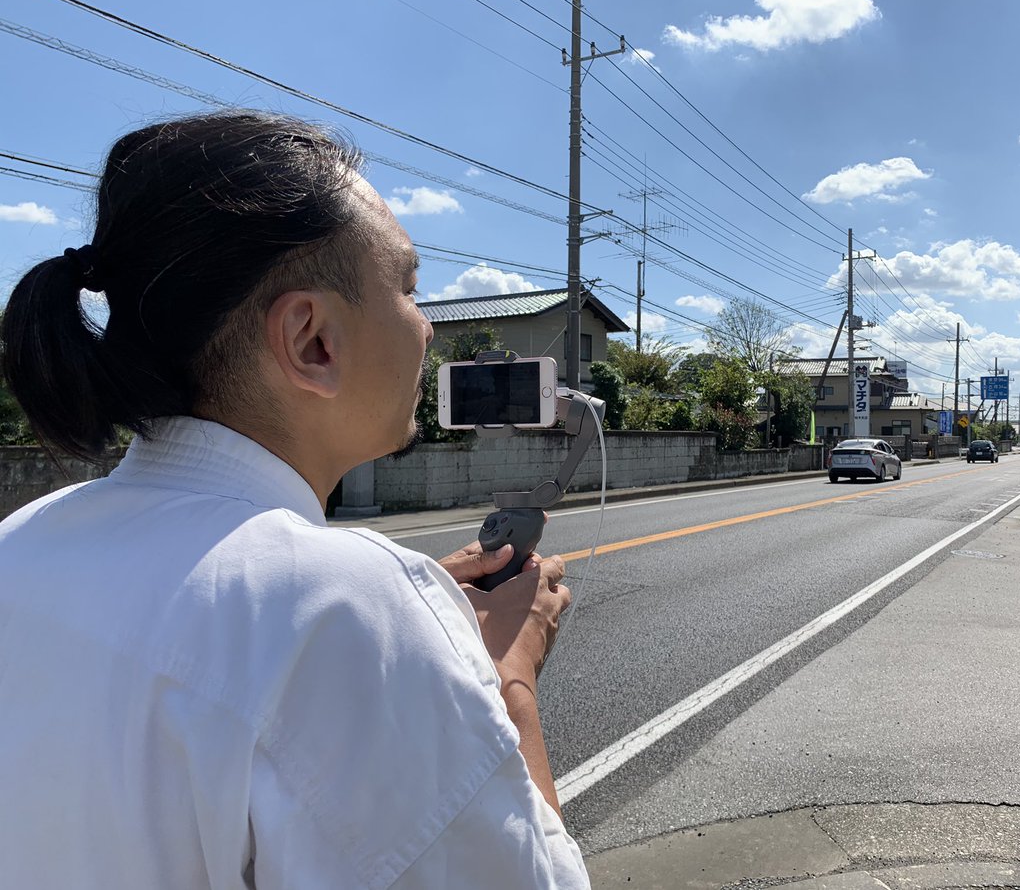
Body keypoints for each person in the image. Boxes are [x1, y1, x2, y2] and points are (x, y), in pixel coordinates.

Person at [0, 111, 588, 888]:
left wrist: (418, 620)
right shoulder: (341, 608)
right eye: (410, 288)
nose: (428, 330)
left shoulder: (25, 538)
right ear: (314, 341)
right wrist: (506, 676)